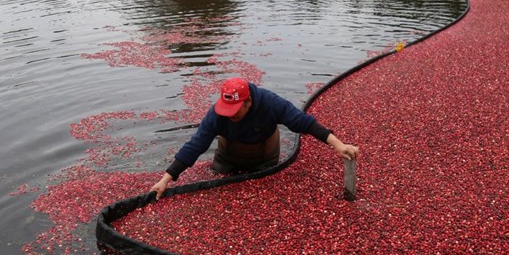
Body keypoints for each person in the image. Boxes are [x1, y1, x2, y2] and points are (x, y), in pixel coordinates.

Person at [150, 77, 359, 199]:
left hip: (264, 156)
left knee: (262, 191)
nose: (230, 115)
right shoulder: (217, 114)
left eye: (235, 110)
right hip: (228, 157)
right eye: (227, 110)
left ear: (248, 102)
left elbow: (303, 122)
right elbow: (196, 145)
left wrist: (338, 145)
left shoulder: (271, 103)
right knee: (222, 182)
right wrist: (165, 180)